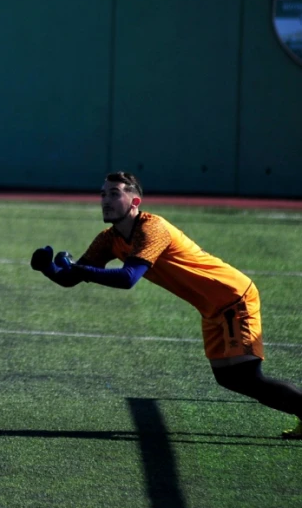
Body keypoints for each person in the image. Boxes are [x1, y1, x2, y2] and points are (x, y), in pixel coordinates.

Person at [31, 171, 302, 438]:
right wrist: (48, 269)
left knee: (248, 377)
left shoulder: (152, 228)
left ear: (135, 202)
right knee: (228, 378)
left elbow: (127, 278)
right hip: (211, 308)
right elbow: (71, 278)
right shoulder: (108, 239)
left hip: (232, 297)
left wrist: (79, 270)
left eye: (114, 194)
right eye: (103, 194)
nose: (106, 200)